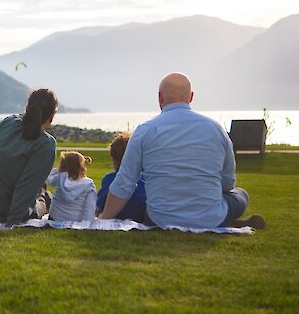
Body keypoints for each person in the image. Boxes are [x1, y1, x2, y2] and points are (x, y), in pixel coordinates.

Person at [100, 73, 266, 230]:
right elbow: (227, 182)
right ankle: (226, 221)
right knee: (240, 194)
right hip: (211, 216)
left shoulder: (144, 131)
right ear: (191, 97)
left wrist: (104, 218)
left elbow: (125, 182)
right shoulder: (215, 129)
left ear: (160, 97)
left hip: (160, 219)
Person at [0, 88, 59, 227]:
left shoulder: (7, 123)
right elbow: (26, 187)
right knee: (47, 198)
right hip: (3, 214)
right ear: (52, 115)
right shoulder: (45, 144)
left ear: (27, 107)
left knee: (40, 189)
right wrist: (12, 222)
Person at [95, 132, 146, 221]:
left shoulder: (109, 179)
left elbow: (100, 204)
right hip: (140, 218)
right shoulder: (145, 179)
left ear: (113, 158)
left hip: (114, 217)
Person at [46, 151, 97, 222]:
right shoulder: (88, 184)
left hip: (55, 218)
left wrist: (56, 170)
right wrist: (88, 222)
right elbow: (90, 207)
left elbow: (49, 181)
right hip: (76, 220)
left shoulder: (59, 178)